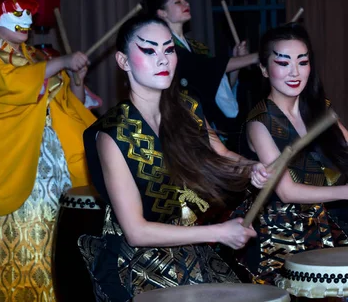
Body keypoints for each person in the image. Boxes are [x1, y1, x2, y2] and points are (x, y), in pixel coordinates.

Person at [79, 15, 267, 301]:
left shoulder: (188, 107)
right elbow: (136, 232)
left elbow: (224, 156)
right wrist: (218, 233)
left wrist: (256, 167)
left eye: (168, 50)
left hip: (191, 247)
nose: (163, 60)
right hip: (138, 264)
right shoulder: (113, 134)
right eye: (149, 50)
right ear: (123, 61)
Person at [0, 0, 96, 301]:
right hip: (13, 160)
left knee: (58, 235)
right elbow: (15, 86)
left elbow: (71, 104)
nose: (26, 18)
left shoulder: (37, 57)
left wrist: (77, 80)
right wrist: (62, 62)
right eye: (17, 12)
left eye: (28, 12)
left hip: (55, 163)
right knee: (23, 238)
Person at [240, 24, 348, 284]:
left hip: (330, 222)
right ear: (263, 69)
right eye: (283, 63)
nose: (295, 72)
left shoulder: (319, 107)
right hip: (285, 237)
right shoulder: (259, 122)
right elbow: (287, 191)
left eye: (302, 61)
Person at [141, 0, 259, 127]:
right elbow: (206, 67)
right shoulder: (165, 49)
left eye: (185, 0)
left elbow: (217, 86)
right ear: (162, 13)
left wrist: (237, 63)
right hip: (182, 125)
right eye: (178, 2)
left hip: (208, 124)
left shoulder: (198, 48)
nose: (186, 3)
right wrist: (255, 57)